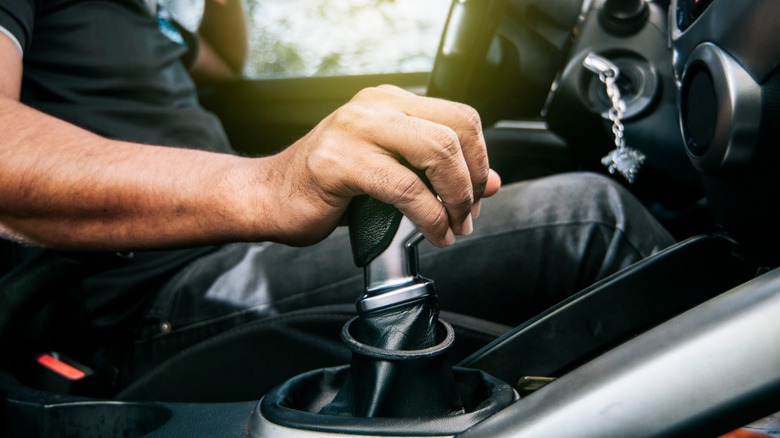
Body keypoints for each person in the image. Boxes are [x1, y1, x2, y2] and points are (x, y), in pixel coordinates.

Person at [0, 0, 674, 397]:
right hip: (151, 298)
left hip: (223, 252)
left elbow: (227, 63)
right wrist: (265, 186)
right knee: (591, 220)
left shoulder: (143, 17)